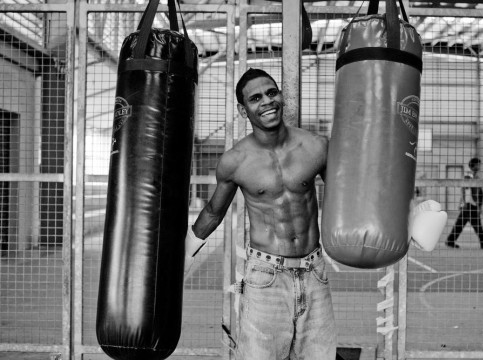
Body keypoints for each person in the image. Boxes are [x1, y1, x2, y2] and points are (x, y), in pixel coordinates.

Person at [183, 68, 446, 359]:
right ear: (243, 110)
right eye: (256, 98)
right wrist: (183, 256)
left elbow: (353, 194)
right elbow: (212, 212)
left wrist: (407, 216)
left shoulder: (315, 146)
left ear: (281, 96)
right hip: (265, 277)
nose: (267, 101)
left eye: (272, 92)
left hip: (313, 272)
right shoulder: (234, 161)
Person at [445, 157, 483, 249]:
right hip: (470, 204)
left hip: (470, 204)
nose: (480, 166)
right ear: (474, 165)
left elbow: (478, 189)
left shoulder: (476, 176)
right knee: (476, 225)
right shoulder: (469, 176)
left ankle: (450, 240)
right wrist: (464, 202)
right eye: (478, 164)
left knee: (461, 224)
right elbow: (465, 189)